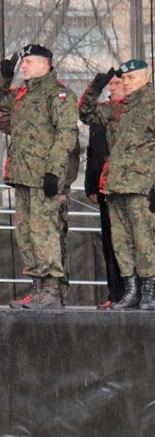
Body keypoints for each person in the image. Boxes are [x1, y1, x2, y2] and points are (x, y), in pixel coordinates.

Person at [0, 44, 79, 309]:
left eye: (28, 61)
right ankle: (38, 287)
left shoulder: (58, 94)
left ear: (45, 65)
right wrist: (4, 74)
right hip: (22, 176)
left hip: (43, 178)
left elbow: (65, 136)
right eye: (23, 62)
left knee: (44, 233)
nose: (23, 66)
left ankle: (51, 290)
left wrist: (54, 171)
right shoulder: (23, 95)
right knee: (26, 234)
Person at [79, 59, 155, 310]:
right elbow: (87, 113)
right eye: (124, 79)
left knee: (145, 241)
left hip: (140, 186)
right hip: (114, 186)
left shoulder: (151, 106)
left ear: (146, 78)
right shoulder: (118, 108)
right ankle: (130, 291)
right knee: (121, 242)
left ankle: (149, 292)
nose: (126, 83)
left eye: (131, 78)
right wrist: (96, 86)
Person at [82, 73, 125, 309]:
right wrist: (91, 184)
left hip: (129, 186)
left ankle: (137, 292)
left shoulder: (135, 113)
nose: (114, 87)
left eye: (119, 82)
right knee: (109, 243)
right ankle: (115, 293)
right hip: (104, 185)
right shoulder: (103, 111)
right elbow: (93, 151)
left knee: (129, 243)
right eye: (111, 84)